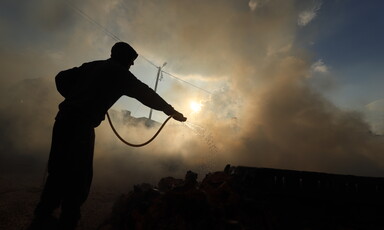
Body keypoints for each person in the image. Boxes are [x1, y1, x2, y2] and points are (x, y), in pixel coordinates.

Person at [27, 42, 187, 230]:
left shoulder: (92, 65)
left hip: (63, 121)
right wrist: (170, 110)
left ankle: (42, 215)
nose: (133, 65)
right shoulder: (120, 73)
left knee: (58, 169)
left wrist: (73, 96)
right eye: (131, 61)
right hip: (81, 125)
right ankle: (68, 220)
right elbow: (146, 94)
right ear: (124, 58)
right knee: (79, 175)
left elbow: (60, 77)